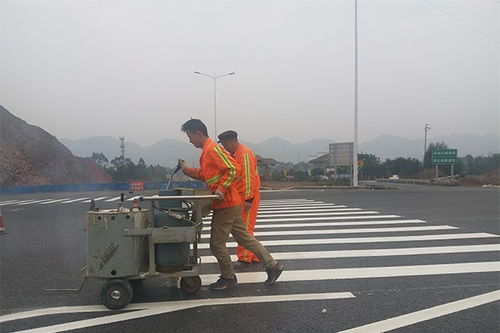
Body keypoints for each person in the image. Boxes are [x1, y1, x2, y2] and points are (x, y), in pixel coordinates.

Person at [179, 119, 284, 290]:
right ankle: (273, 266)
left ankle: (228, 278)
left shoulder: (212, 149)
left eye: (190, 136)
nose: (190, 140)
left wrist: (221, 189)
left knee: (216, 244)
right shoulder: (206, 151)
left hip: (226, 204)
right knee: (245, 238)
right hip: (230, 202)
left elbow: (233, 169)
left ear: (198, 133)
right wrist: (187, 170)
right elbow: (206, 175)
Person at [217, 130, 261, 265]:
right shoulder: (237, 154)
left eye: (226, 144)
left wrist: (248, 200)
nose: (225, 147)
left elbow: (248, 179)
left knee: (245, 229)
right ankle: (253, 255)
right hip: (242, 195)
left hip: (246, 196)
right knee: (245, 227)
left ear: (233, 141)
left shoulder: (244, 154)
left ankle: (246, 257)